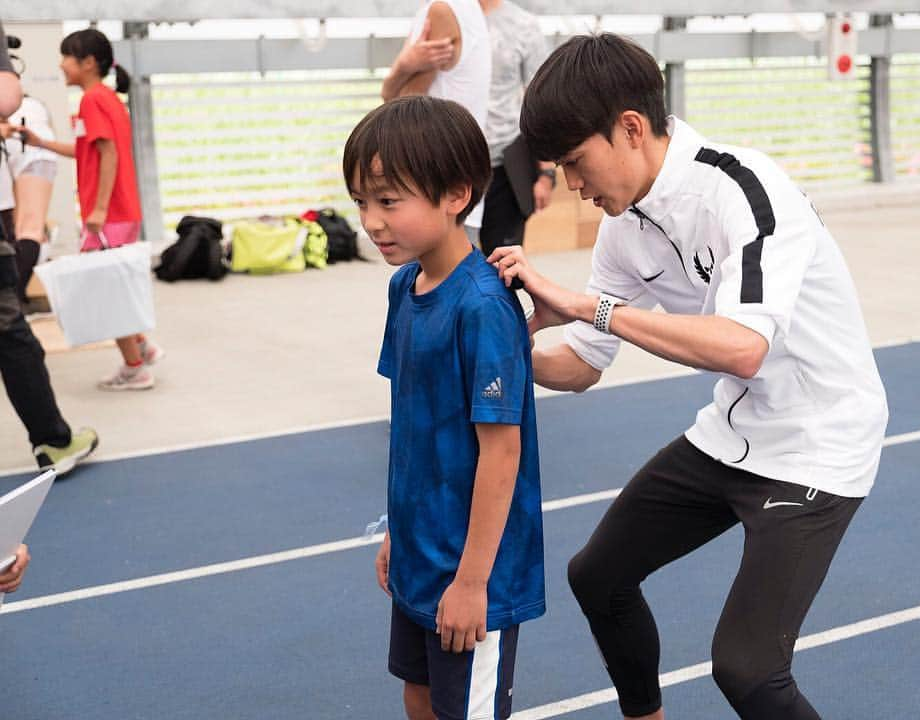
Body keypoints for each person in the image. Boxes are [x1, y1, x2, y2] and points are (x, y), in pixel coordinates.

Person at [489, 33, 888, 720]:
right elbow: (583, 364)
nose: (576, 189)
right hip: (737, 430)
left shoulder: (745, 190)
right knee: (598, 577)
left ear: (632, 129)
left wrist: (593, 306)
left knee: (748, 669)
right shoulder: (624, 227)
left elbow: (741, 348)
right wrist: (506, 353)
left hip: (821, 444)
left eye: (577, 164)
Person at [344, 95, 544, 720]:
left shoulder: (483, 307)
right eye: (361, 203)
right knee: (419, 695)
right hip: (419, 551)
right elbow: (412, 427)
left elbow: (501, 451)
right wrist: (397, 531)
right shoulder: (403, 287)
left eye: (388, 201)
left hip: (472, 571)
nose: (372, 222)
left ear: (456, 194)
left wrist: (471, 581)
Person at [19, 28, 164, 391]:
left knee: (104, 290)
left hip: (109, 214)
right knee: (113, 283)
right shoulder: (105, 99)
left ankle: (135, 366)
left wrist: (98, 210)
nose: (61, 64)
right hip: (119, 211)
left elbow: (109, 154)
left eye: (67, 56)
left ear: (87, 63)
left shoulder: (92, 101)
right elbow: (88, 151)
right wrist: (41, 142)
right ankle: (142, 346)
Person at [0, 19, 98, 476]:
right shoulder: (26, 105)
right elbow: (30, 225)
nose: (60, 64)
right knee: (11, 332)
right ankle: (53, 441)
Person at [381, 0, 491, 248]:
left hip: (437, 182)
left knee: (442, 282)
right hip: (443, 178)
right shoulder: (455, 8)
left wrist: (401, 68)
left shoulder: (442, 11)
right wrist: (404, 67)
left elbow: (398, 105)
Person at [476, 0, 556, 256]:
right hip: (454, 163)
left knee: (504, 265)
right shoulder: (445, 17)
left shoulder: (524, 25)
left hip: (505, 163)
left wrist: (546, 175)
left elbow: (541, 104)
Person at [1, 94, 60, 310]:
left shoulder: (27, 105)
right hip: (28, 149)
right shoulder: (30, 105)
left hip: (25, 147)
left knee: (20, 229)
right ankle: (14, 300)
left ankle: (14, 299)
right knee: (29, 229)